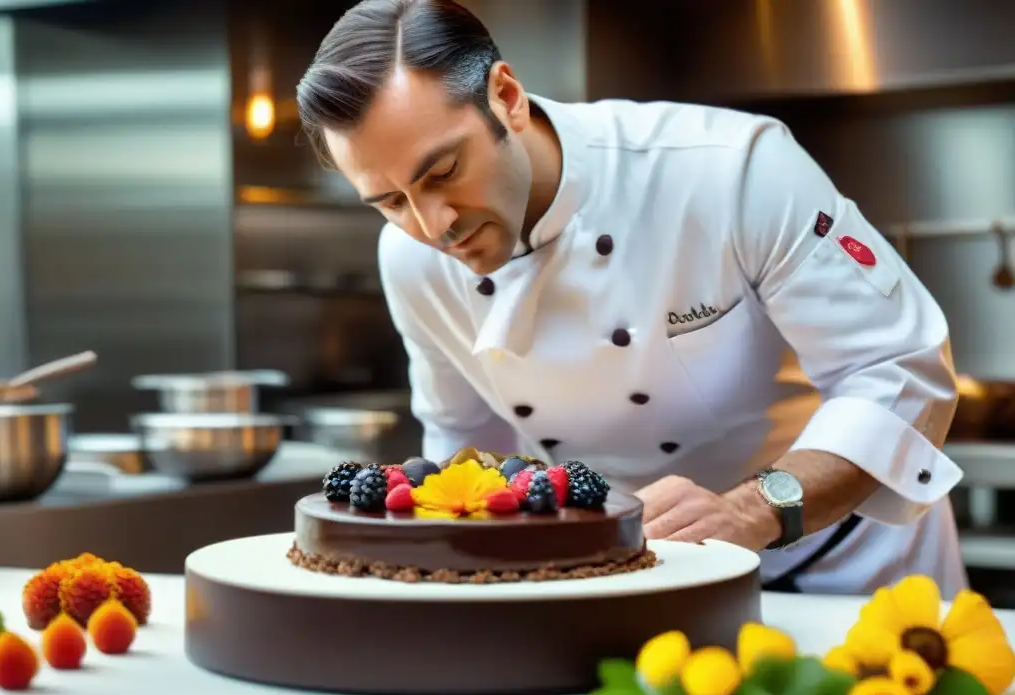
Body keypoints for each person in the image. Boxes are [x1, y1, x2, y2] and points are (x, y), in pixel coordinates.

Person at [295, 0, 967, 597]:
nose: (432, 224)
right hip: (634, 580)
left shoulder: (728, 168)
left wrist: (755, 510)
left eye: (443, 172)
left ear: (506, 96)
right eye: (389, 202)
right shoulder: (410, 259)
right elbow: (470, 446)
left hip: (845, 566)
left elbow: (897, 366)